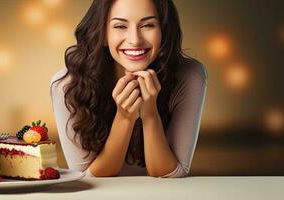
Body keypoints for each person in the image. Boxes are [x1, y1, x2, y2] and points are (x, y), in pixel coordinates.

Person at [50, 0, 207, 178]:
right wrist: (124, 118)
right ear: (102, 33)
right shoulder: (68, 84)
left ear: (163, 30)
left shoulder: (189, 75)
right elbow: (86, 178)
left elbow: (172, 174)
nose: (135, 40)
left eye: (148, 25)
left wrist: (150, 114)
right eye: (120, 26)